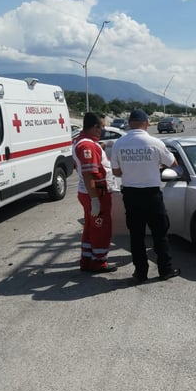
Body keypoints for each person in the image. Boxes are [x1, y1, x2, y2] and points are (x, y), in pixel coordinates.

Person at [110, 108, 180, 283]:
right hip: (152, 195)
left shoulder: (119, 143)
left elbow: (116, 172)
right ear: (146, 123)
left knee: (136, 236)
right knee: (159, 234)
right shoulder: (155, 142)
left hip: (131, 195)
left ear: (129, 123)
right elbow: (174, 163)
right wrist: (156, 167)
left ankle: (140, 273)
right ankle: (165, 270)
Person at [73, 112, 117, 273]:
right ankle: (98, 262)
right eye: (102, 127)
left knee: (91, 227)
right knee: (101, 227)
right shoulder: (87, 146)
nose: (103, 130)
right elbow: (88, 174)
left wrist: (106, 145)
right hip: (97, 193)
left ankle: (86, 259)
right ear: (94, 127)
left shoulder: (84, 142)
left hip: (91, 192)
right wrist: (95, 200)